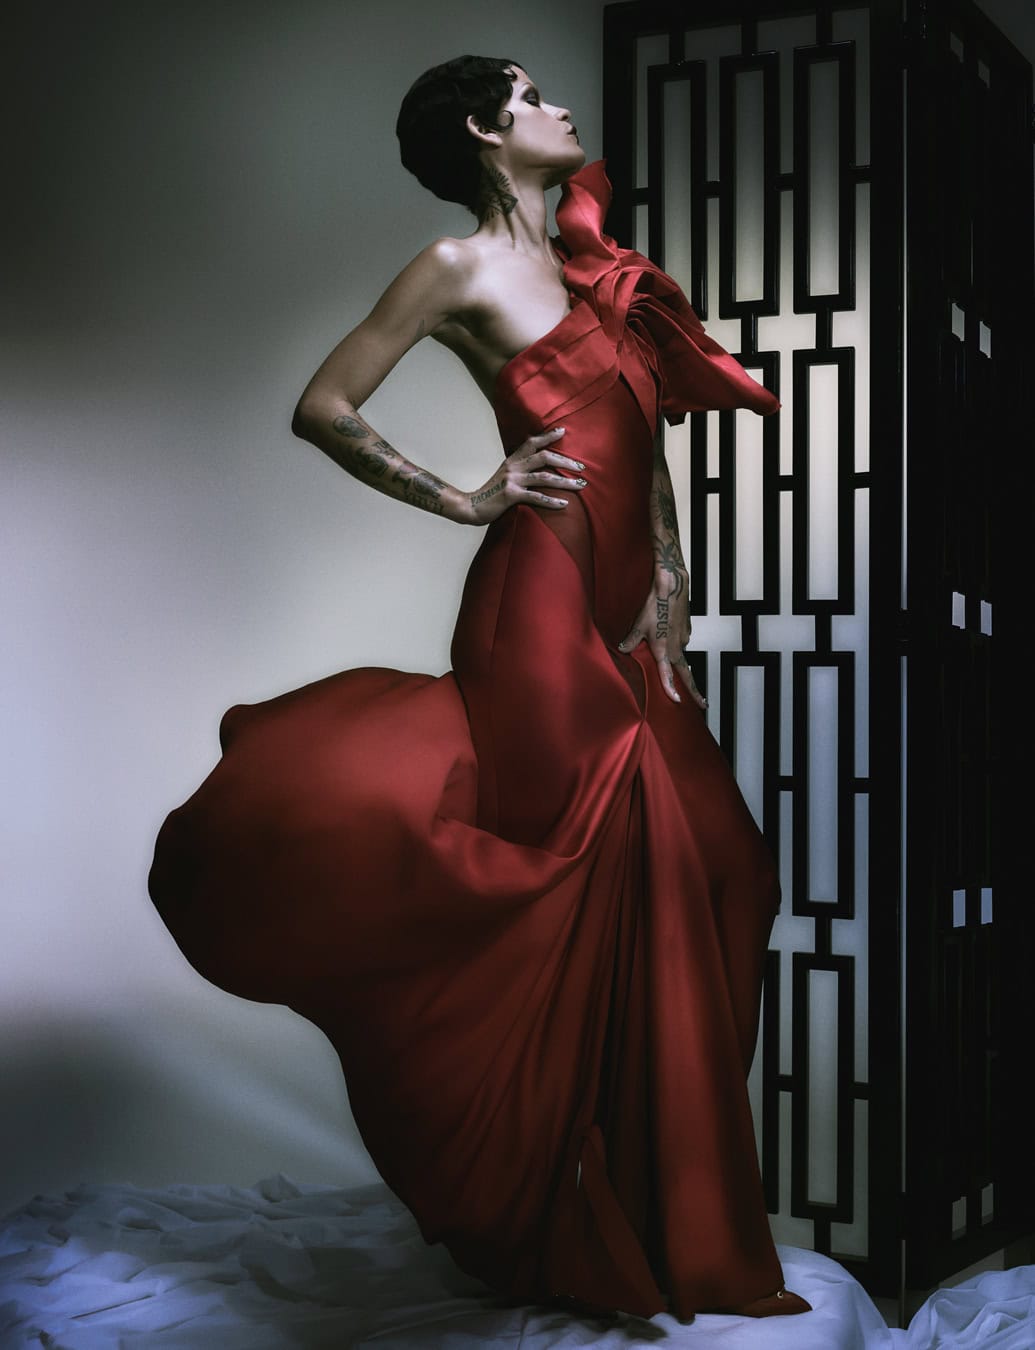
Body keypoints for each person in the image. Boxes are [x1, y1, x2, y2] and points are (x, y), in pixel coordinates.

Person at [148, 55, 811, 1323]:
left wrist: (672, 587)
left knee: (728, 872)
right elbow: (324, 405)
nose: (558, 106)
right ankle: (567, 1213)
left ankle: (654, 1202)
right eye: (530, 93)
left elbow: (642, 450)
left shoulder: (592, 272)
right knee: (596, 879)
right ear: (482, 129)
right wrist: (467, 498)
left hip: (630, 613)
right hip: (539, 606)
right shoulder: (452, 270)